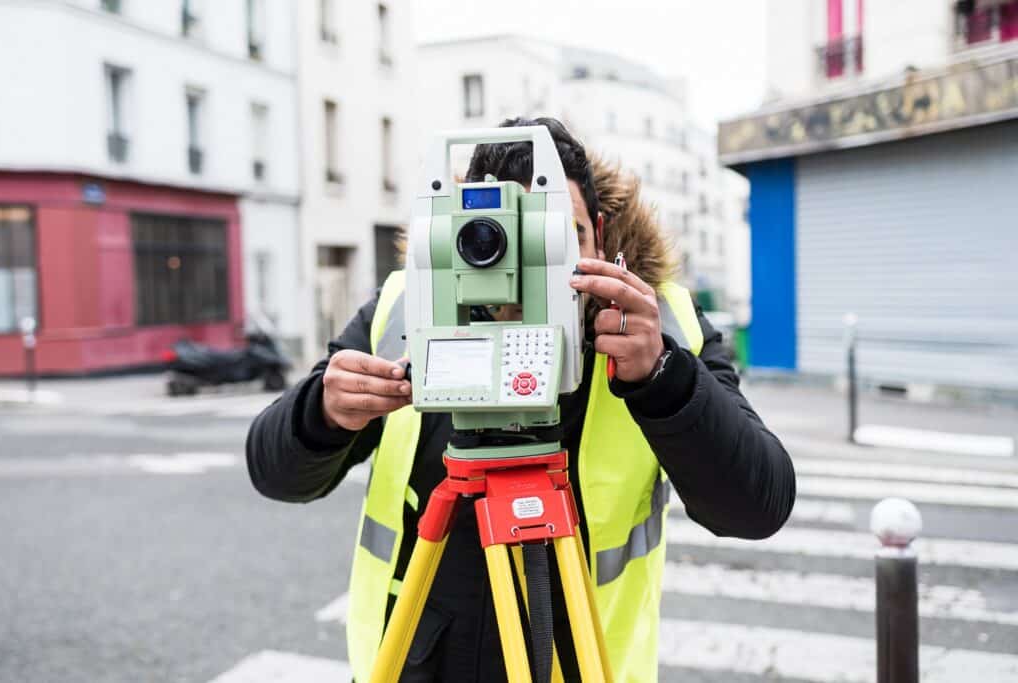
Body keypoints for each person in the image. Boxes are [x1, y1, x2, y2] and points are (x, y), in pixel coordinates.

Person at [246, 117, 796, 682]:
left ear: (599, 236)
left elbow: (757, 506)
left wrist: (664, 378)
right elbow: (274, 472)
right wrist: (323, 412)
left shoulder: (660, 327)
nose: (531, 267)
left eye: (558, 235)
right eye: (499, 237)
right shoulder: (406, 314)